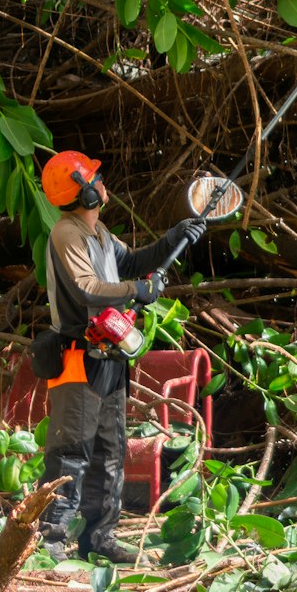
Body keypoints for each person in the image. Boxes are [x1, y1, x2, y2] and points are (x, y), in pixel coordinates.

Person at [38, 150, 206, 564]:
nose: (101, 182)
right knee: (71, 453)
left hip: (110, 356)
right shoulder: (66, 234)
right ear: (85, 193)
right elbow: (87, 288)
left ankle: (100, 538)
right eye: (94, 178)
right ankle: (49, 542)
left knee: (110, 453)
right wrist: (136, 290)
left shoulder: (99, 234)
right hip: (78, 356)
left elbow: (130, 260)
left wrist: (172, 239)